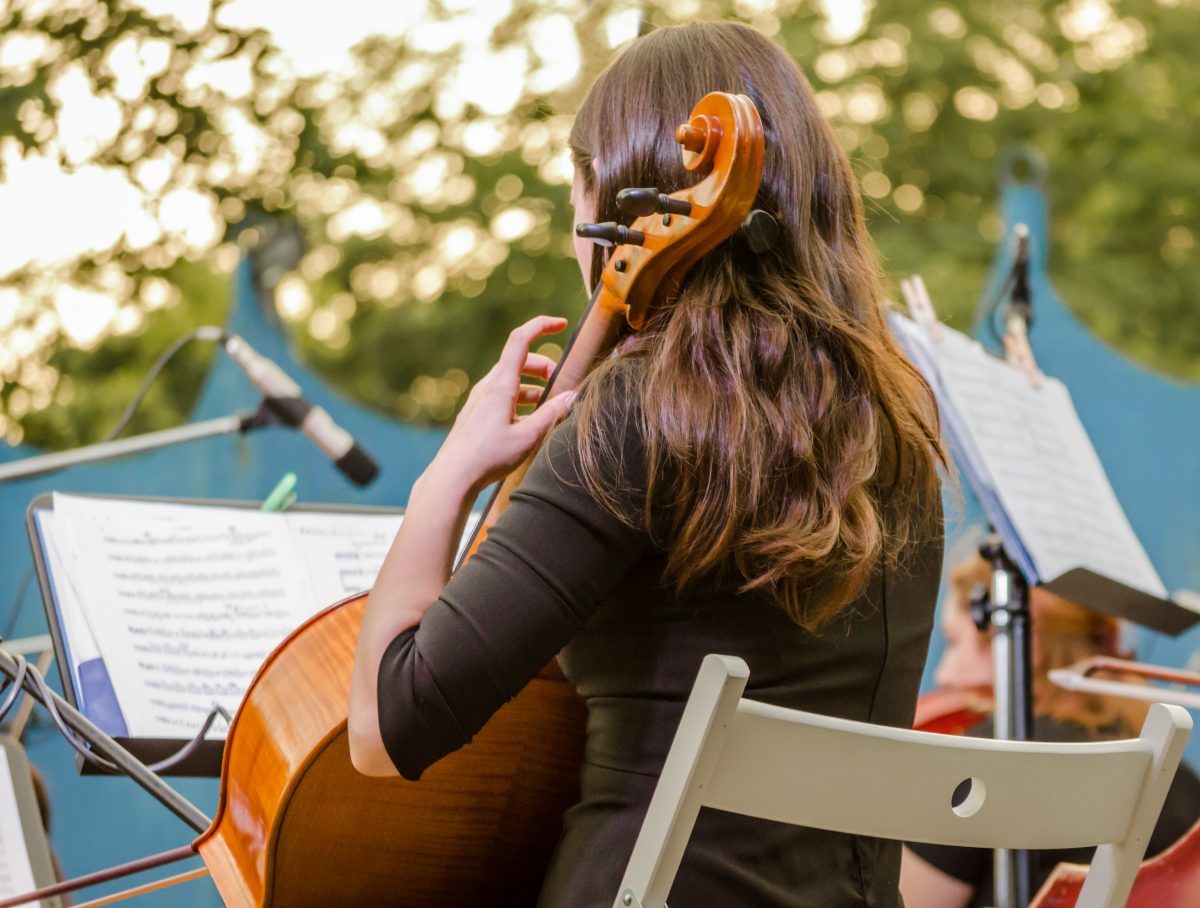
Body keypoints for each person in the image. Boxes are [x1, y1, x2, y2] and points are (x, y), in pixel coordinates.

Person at [348, 21, 947, 907]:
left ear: (618, 204)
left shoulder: (638, 412)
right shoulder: (897, 423)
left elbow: (385, 729)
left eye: (573, 194)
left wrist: (449, 473)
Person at [901, 552, 1200, 907]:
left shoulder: (983, 762)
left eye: (954, 642)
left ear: (1018, 640)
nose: (944, 674)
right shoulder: (1180, 781)